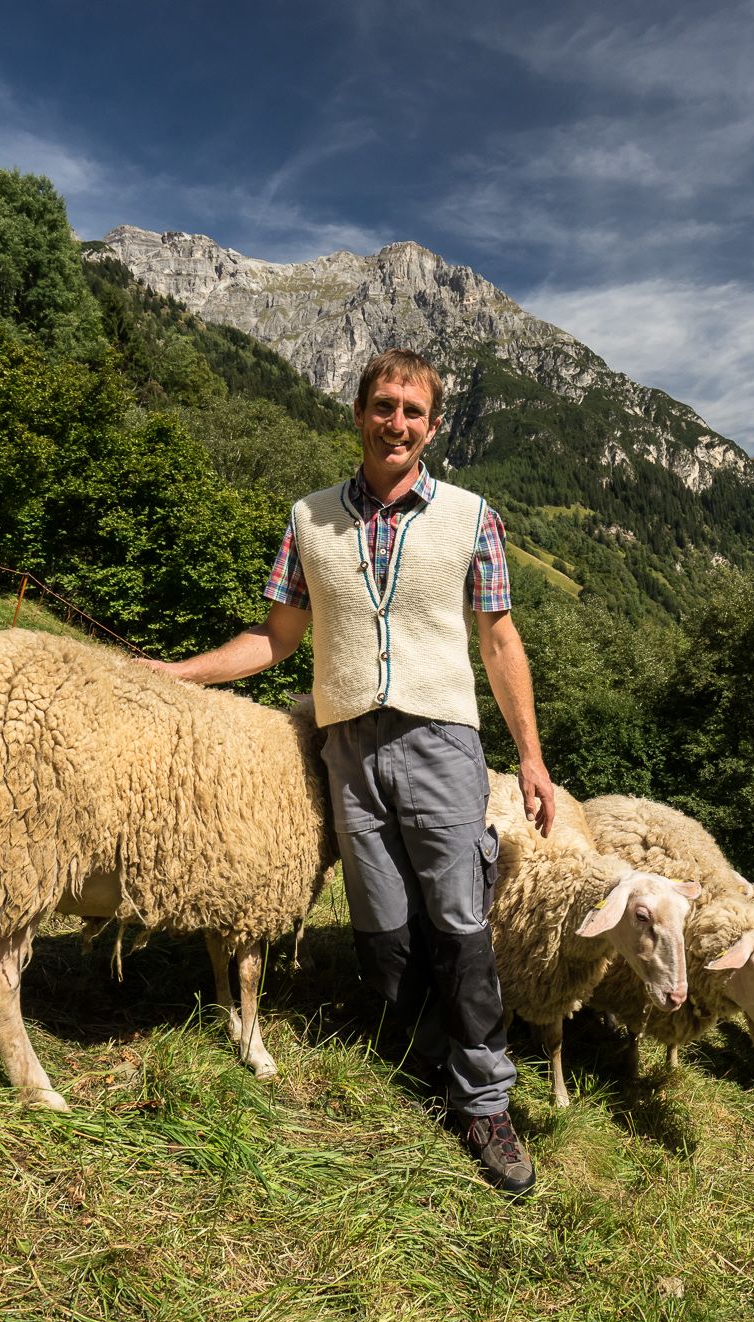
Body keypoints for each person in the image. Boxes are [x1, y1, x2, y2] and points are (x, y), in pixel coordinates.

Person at [140, 347, 554, 1196]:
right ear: (359, 413)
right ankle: (427, 1058)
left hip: (441, 741)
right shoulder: (310, 519)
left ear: (434, 425)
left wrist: (533, 758)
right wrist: (175, 673)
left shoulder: (474, 516)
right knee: (385, 927)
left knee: (460, 922)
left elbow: (500, 641)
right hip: (349, 747)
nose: (396, 422)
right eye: (383, 405)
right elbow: (276, 638)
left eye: (413, 409)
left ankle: (485, 1102)